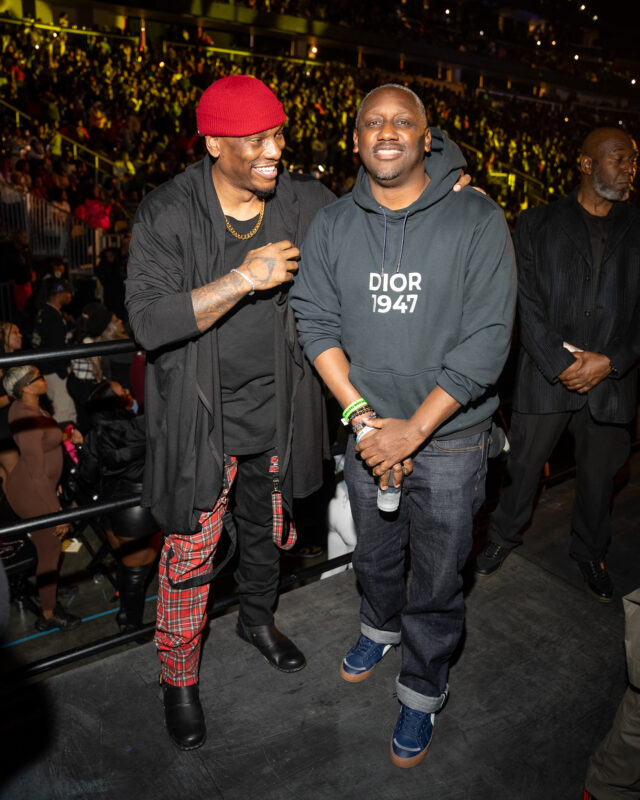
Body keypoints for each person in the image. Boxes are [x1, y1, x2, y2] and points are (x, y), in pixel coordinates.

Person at [290, 83, 516, 767]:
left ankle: (422, 686)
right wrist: (363, 421)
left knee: (440, 578)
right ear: (356, 139)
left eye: (401, 121)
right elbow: (314, 322)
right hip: (367, 435)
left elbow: (488, 341)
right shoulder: (333, 223)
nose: (386, 132)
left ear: (426, 137)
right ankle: (379, 626)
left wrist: (412, 431)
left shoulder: (478, 219)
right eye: (372, 122)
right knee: (376, 555)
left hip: (449, 439)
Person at [124, 75, 335, 751]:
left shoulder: (302, 200)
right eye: (256, 140)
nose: (274, 150)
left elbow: (371, 224)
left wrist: (446, 191)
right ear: (214, 144)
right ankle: (179, 677)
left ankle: (256, 620)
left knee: (267, 529)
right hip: (201, 419)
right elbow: (149, 321)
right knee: (190, 552)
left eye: (278, 134)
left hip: (279, 411)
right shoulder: (168, 212)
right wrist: (245, 277)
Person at [475, 127, 639, 602]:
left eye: (633, 160)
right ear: (587, 165)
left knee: (599, 481)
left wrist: (610, 361)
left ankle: (590, 551)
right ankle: (503, 536)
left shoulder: (638, 227)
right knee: (523, 468)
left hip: (612, 380)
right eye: (619, 158)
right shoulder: (536, 222)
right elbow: (524, 301)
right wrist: (560, 362)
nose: (630, 168)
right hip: (548, 376)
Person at [2, 365, 82, 631]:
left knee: (51, 549)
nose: (44, 377)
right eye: (38, 376)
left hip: (40, 487)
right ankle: (48, 614)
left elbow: (44, 451)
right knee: (49, 550)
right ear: (25, 387)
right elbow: (36, 472)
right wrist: (56, 512)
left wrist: (53, 480)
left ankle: (49, 591)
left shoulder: (28, 406)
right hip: (32, 492)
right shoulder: (24, 416)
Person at [81, 380, 161, 634]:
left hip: (109, 507)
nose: (128, 392)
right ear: (116, 404)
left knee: (127, 567)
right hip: (138, 510)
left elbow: (87, 476)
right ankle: (131, 627)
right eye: (122, 392)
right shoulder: (142, 426)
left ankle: (126, 614)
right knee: (137, 572)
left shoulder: (93, 435)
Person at [31, 276, 77, 424]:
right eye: (68, 292)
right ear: (59, 293)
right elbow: (55, 347)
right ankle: (66, 439)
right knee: (64, 413)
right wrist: (63, 371)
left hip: (47, 370)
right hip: (54, 372)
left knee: (58, 409)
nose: (70, 296)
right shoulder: (51, 317)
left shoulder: (46, 312)